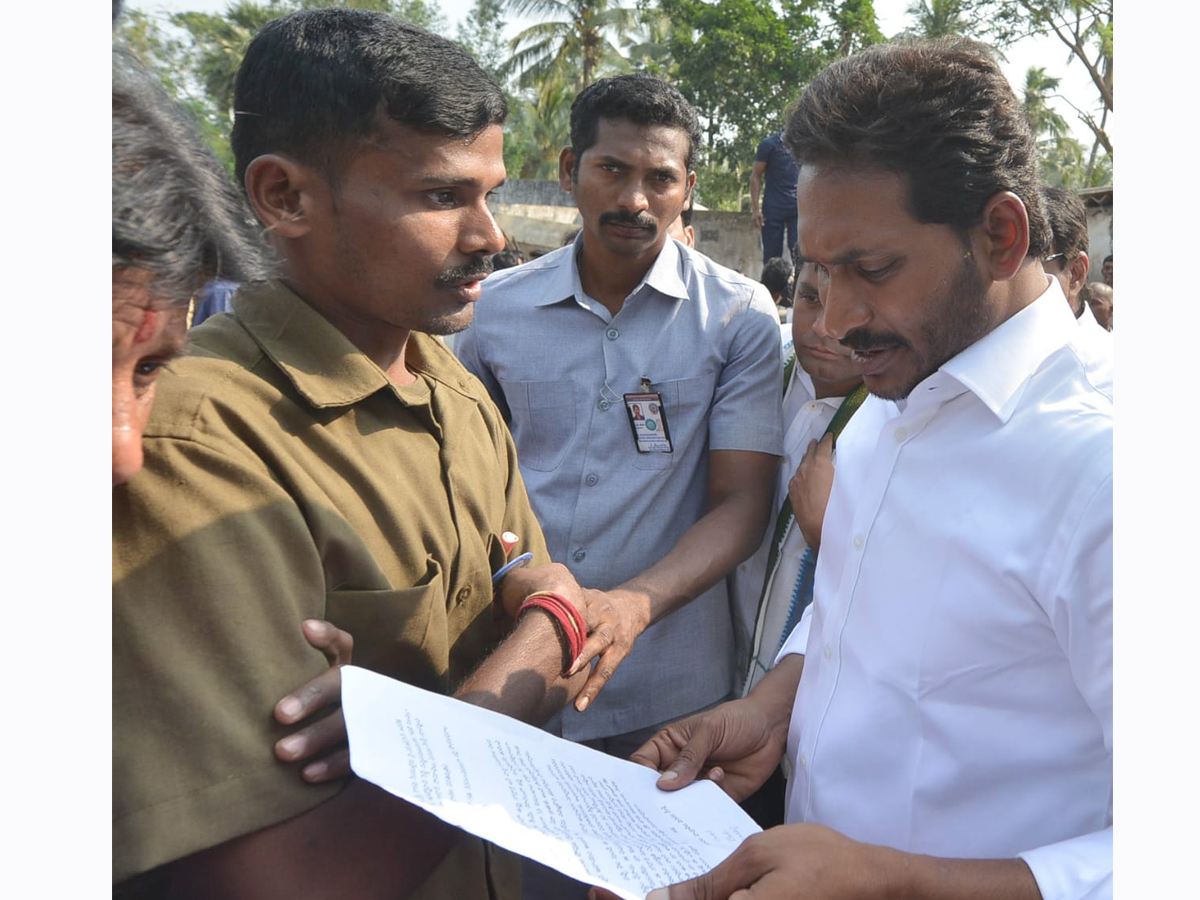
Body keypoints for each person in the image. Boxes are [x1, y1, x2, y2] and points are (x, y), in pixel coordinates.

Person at [113, 11, 630, 899]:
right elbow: (290, 879)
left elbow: (527, 576)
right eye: (440, 197)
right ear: (284, 197)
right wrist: (536, 648)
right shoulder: (193, 440)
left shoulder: (451, 387)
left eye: (489, 193)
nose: (490, 236)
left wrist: (424, 720)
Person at [627, 39, 1112, 900]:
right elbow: (855, 611)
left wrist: (898, 883)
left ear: (1000, 236)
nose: (839, 319)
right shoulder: (888, 407)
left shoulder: (1111, 469)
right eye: (818, 271)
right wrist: (770, 712)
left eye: (874, 270)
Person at [456, 73, 782, 896]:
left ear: (687, 190)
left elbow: (742, 503)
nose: (634, 197)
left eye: (659, 177)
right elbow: (468, 485)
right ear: (570, 169)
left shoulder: (738, 318)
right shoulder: (491, 313)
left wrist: (632, 605)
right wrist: (526, 588)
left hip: (671, 698)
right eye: (612, 169)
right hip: (522, 681)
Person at [749, 131, 799, 264]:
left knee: (800, 254)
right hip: (773, 208)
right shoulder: (769, 144)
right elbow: (755, 176)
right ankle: (771, 284)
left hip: (798, 208)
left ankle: (800, 284)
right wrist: (755, 209)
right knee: (772, 258)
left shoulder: (804, 144)